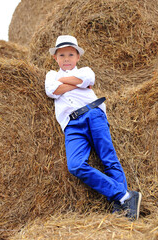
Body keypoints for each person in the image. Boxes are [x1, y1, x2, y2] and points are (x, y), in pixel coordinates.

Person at [45, 35, 142, 221]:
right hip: (71, 125)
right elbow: (51, 90)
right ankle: (125, 195)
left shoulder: (86, 70)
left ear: (78, 57)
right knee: (75, 165)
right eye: (62, 55)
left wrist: (66, 84)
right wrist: (78, 83)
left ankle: (121, 204)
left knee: (108, 158)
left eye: (71, 54)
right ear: (55, 58)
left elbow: (89, 78)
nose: (66, 59)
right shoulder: (51, 75)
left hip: (93, 114)